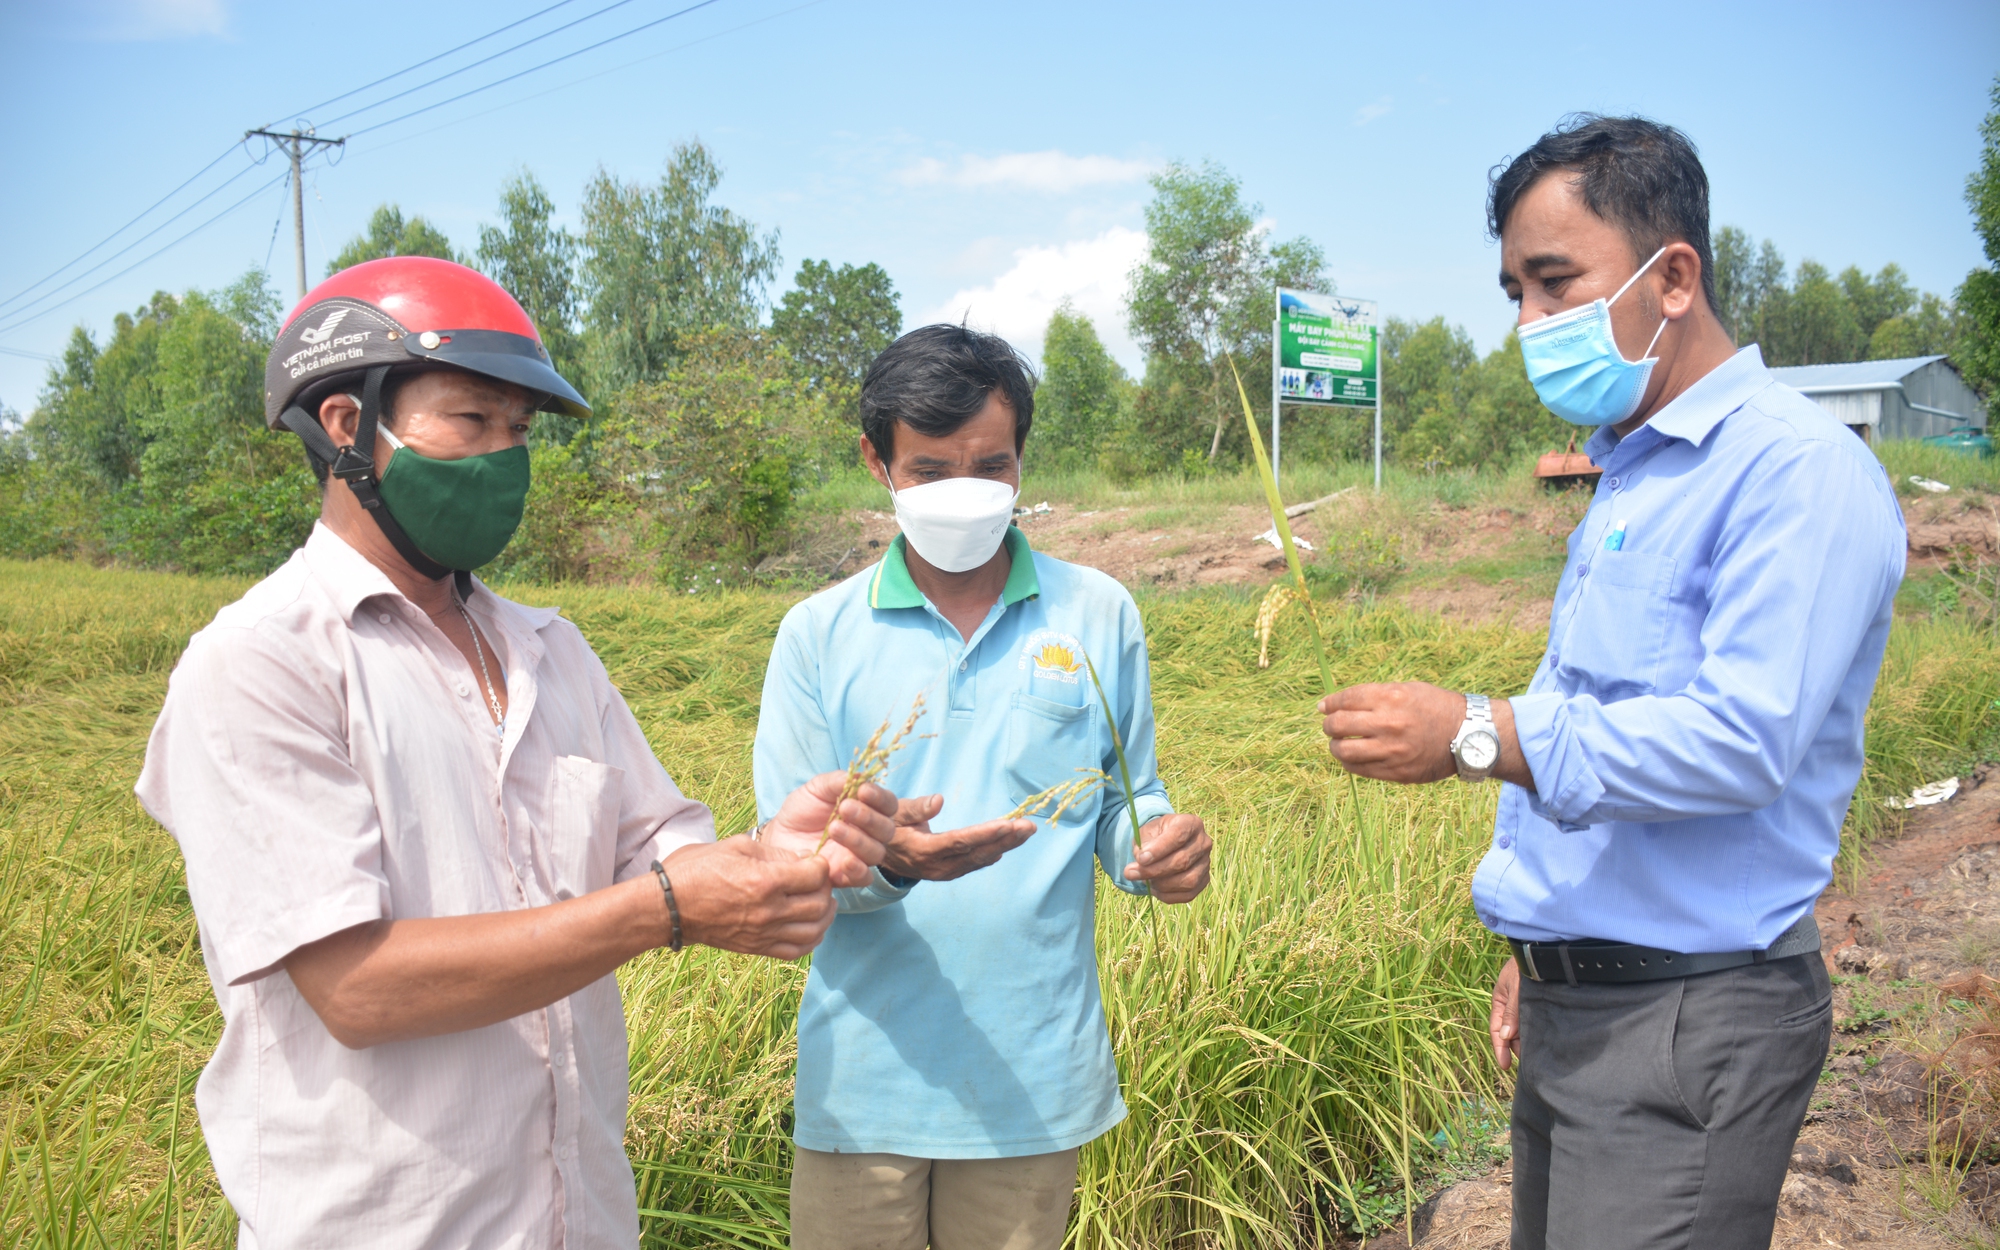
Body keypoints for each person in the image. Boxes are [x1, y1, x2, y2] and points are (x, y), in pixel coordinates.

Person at [135, 256, 901, 1249]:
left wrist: (773, 851)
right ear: (344, 424)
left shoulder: (551, 650)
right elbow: (358, 986)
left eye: (518, 433)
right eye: (470, 422)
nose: (502, 457)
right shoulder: (259, 664)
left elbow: (654, 847)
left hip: (577, 1219)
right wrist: (663, 909)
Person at [1317, 116, 1905, 1248]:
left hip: (1686, 1020)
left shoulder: (1795, 473)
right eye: (1512, 294)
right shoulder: (1630, 474)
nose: (1528, 326)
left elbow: (1739, 740)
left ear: (1670, 275)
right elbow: (1604, 707)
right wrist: (1541, 942)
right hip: (1583, 1001)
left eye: (1552, 284)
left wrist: (1475, 732)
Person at [752, 324, 1215, 1249]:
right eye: (930, 470)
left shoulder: (1097, 612)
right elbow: (787, 859)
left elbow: (1128, 797)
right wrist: (896, 866)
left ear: (1021, 463)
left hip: (1033, 1078)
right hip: (865, 1086)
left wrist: (1155, 850)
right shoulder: (817, 634)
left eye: (990, 465)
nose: (964, 493)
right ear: (876, 462)